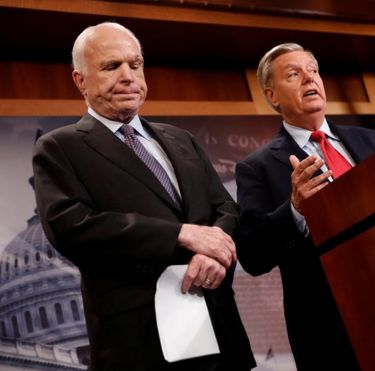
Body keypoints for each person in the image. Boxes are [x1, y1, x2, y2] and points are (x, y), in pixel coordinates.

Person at [32, 22, 255, 370]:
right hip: (142, 342)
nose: (128, 76)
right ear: (80, 80)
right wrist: (181, 235)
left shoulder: (181, 139)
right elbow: (72, 226)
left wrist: (215, 253)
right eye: (111, 66)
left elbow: (224, 207)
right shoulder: (60, 147)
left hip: (218, 326)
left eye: (135, 65)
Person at [235, 43, 375, 370]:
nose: (309, 79)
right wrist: (294, 210)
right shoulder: (257, 167)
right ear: (272, 95)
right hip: (330, 329)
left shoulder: (369, 140)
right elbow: (253, 255)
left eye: (313, 70)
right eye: (294, 74)